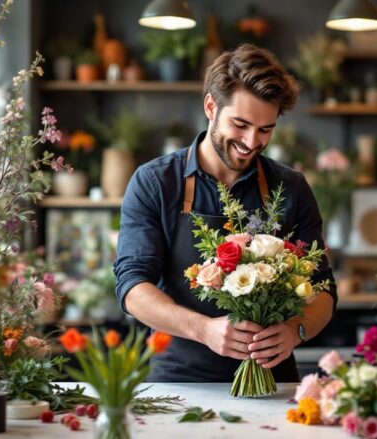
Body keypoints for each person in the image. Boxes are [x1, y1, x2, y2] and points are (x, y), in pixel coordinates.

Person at [113, 44, 337, 382]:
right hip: (180, 381)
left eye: (266, 129)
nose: (251, 141)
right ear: (210, 106)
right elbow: (132, 286)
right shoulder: (156, 182)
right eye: (241, 124)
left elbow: (322, 287)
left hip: (273, 383)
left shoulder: (291, 187)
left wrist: (295, 331)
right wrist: (204, 329)